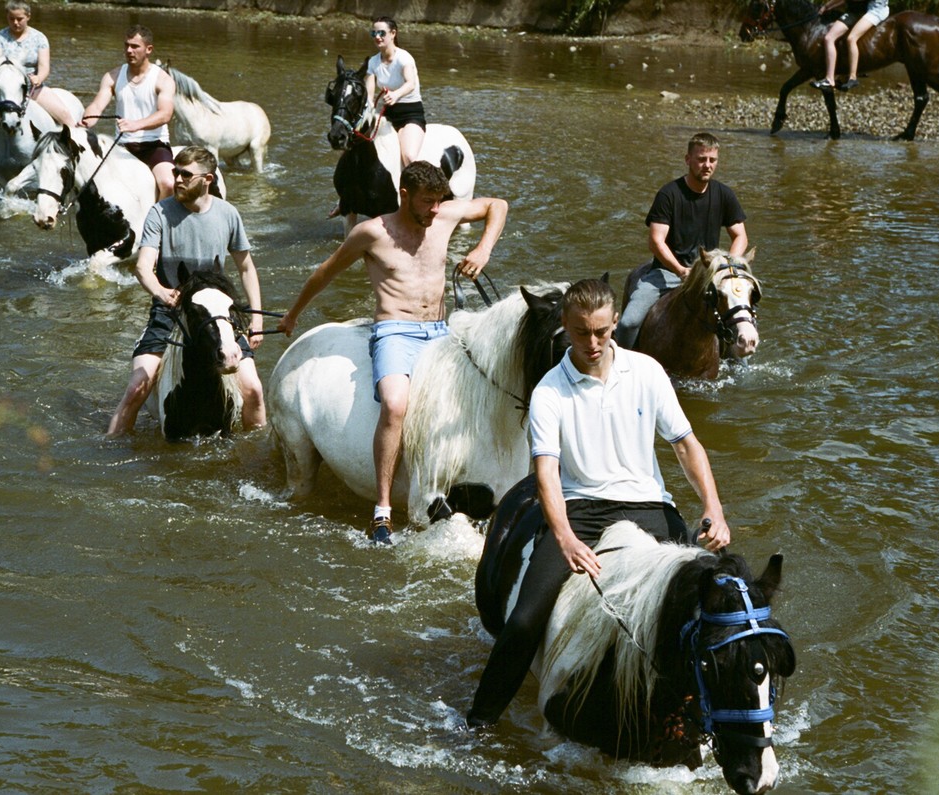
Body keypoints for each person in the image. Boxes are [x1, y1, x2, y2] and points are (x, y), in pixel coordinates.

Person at [467, 278, 732, 729]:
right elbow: (546, 473)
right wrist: (565, 537)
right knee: (526, 621)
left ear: (613, 323)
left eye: (602, 332)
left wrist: (714, 507)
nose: (592, 343)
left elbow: (686, 445)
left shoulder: (647, 372)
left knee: (715, 603)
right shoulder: (549, 391)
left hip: (650, 506)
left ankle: (718, 720)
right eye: (581, 333)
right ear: (565, 328)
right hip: (582, 510)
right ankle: (477, 723)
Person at [278, 161, 508, 544]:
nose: (436, 209)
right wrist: (292, 315)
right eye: (428, 201)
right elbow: (325, 272)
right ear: (405, 195)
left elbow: (496, 205)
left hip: (440, 331)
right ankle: (382, 509)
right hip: (394, 331)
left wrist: (483, 248)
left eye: (440, 201)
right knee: (396, 404)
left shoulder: (445, 215)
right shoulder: (371, 233)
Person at [106, 146, 265, 437]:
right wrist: (161, 292)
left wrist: (256, 318)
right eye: (175, 172)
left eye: (185, 174)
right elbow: (142, 267)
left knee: (253, 389)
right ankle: (109, 449)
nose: (177, 179)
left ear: (207, 179)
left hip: (217, 314)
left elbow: (246, 268)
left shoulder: (228, 214)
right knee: (136, 388)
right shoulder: (160, 213)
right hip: (171, 312)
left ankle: (256, 453)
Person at [615, 132, 747, 349]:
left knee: (738, 321)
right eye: (701, 159)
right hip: (666, 273)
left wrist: (727, 265)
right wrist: (680, 270)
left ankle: (739, 371)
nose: (707, 165)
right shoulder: (669, 194)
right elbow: (656, 241)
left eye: (712, 160)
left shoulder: (724, 194)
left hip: (708, 276)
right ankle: (618, 367)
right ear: (688, 160)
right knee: (629, 322)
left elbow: (740, 235)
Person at [0, 0, 77, 188]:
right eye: (11, 19)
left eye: (19, 19)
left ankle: (75, 159)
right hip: (6, 89)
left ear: (28, 17)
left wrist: (39, 78)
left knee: (67, 117)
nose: (15, 23)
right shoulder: (0, 37)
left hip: (33, 86)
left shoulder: (39, 38)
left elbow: (45, 66)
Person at [80, 25, 176, 201]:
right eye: (126, 45)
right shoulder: (113, 76)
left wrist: (136, 124)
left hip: (154, 146)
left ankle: (161, 225)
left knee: (168, 184)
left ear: (149, 49)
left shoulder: (163, 79)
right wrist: (87, 119)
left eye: (135, 46)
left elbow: (165, 114)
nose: (129, 51)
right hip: (122, 147)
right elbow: (97, 106)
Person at [365, 16, 426, 169]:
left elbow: (411, 83)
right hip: (388, 115)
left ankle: (418, 189)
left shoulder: (404, 58)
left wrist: (396, 94)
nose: (377, 37)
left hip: (410, 114)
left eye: (381, 33)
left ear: (393, 34)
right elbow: (370, 92)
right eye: (374, 34)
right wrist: (369, 104)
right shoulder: (373, 62)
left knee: (409, 156)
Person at [811, 0, 890, 91]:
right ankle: (844, 75)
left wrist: (827, 6)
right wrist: (828, 6)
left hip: (874, 11)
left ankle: (842, 77)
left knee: (849, 38)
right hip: (869, 9)